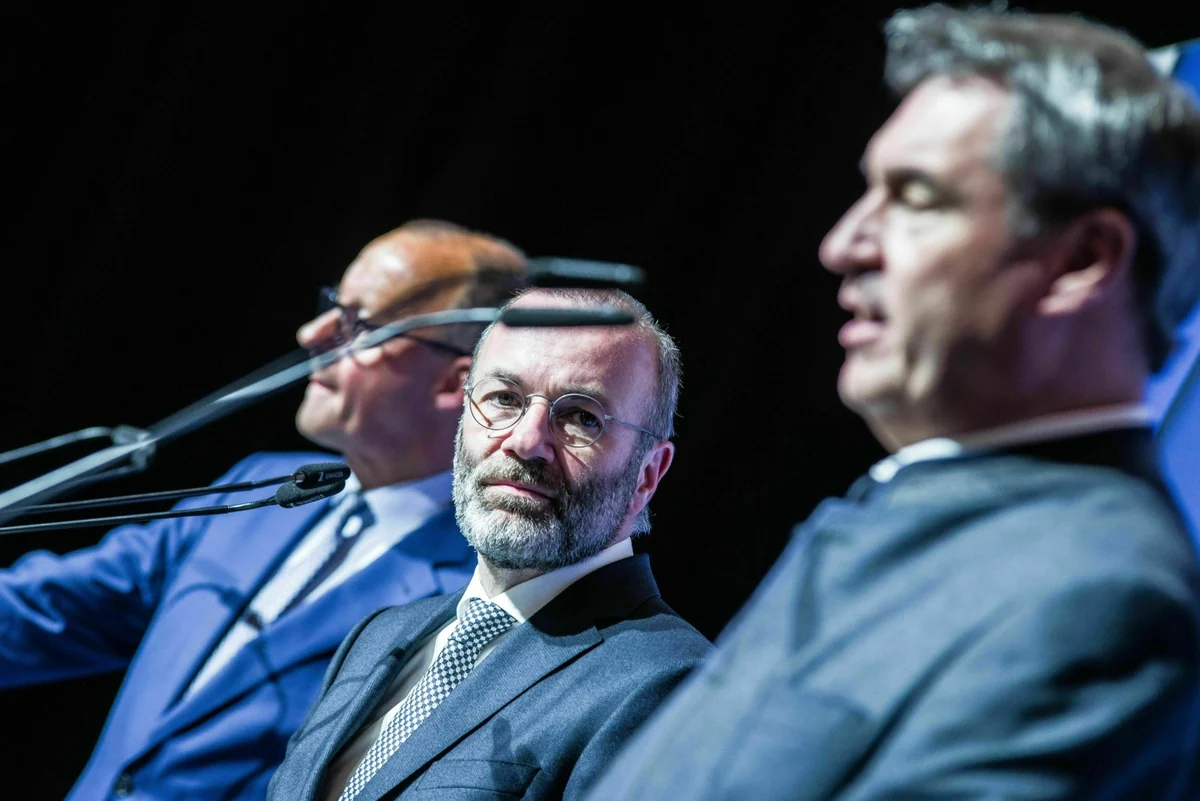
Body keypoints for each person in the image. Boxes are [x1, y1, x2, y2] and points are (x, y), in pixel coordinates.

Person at [585, 6, 1200, 800]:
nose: (843, 244)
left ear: (1083, 259)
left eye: (916, 197)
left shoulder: (1098, 598)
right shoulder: (911, 509)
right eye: (869, 189)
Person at [0, 219, 526, 800]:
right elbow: (45, 612)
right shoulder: (258, 487)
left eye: (358, 324)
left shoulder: (472, 596)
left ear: (454, 383)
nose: (311, 334)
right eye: (331, 305)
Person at [266, 287, 711, 801]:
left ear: (648, 473)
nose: (525, 441)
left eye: (582, 417)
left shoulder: (669, 683)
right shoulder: (379, 636)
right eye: (504, 399)